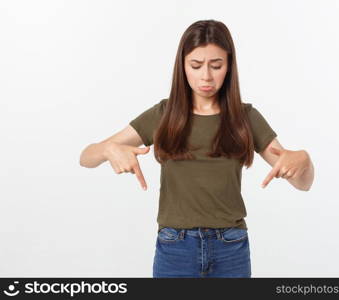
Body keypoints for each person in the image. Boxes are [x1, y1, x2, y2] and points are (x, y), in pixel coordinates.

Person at [79, 19, 314, 278]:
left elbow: (303, 183)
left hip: (231, 247)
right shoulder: (163, 114)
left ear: (229, 67)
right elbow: (86, 157)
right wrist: (108, 149)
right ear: (182, 66)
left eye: (216, 66)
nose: (206, 76)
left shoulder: (245, 117)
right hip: (175, 247)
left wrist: (303, 159)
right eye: (196, 65)